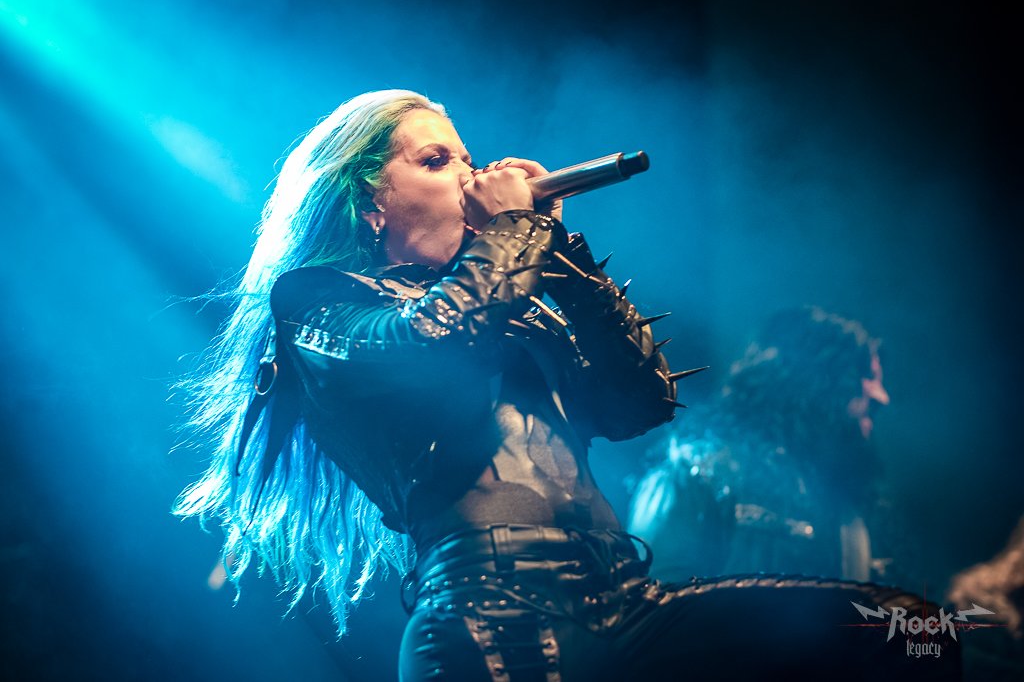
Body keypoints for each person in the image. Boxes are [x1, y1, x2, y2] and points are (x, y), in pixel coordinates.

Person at [175, 90, 959, 680]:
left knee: (909, 631)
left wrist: (556, 249)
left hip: (624, 600)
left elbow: (638, 400)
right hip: (488, 616)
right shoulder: (316, 302)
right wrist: (513, 230)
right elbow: (435, 341)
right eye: (437, 161)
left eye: (468, 160)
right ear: (371, 198)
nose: (470, 177)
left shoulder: (507, 304)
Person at [628, 307, 893, 584]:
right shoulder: (694, 476)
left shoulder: (844, 503)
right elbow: (653, 596)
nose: (882, 397)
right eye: (867, 375)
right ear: (816, 384)